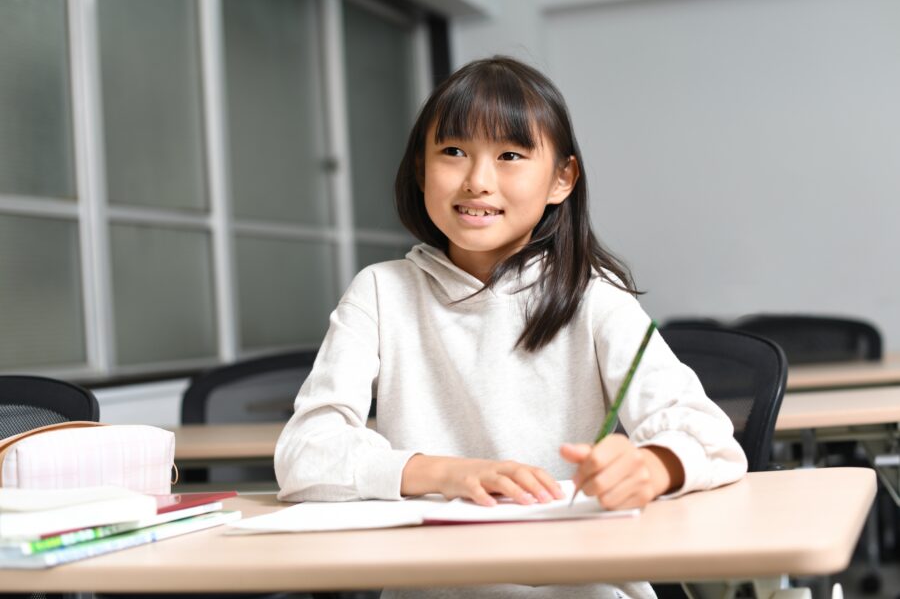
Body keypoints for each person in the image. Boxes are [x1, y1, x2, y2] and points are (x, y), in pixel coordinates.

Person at [275, 56, 746, 599]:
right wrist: (447, 474)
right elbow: (303, 456)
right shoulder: (381, 292)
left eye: (510, 156)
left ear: (561, 179)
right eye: (452, 152)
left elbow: (710, 437)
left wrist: (653, 466)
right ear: (420, 168)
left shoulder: (594, 298)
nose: (477, 181)